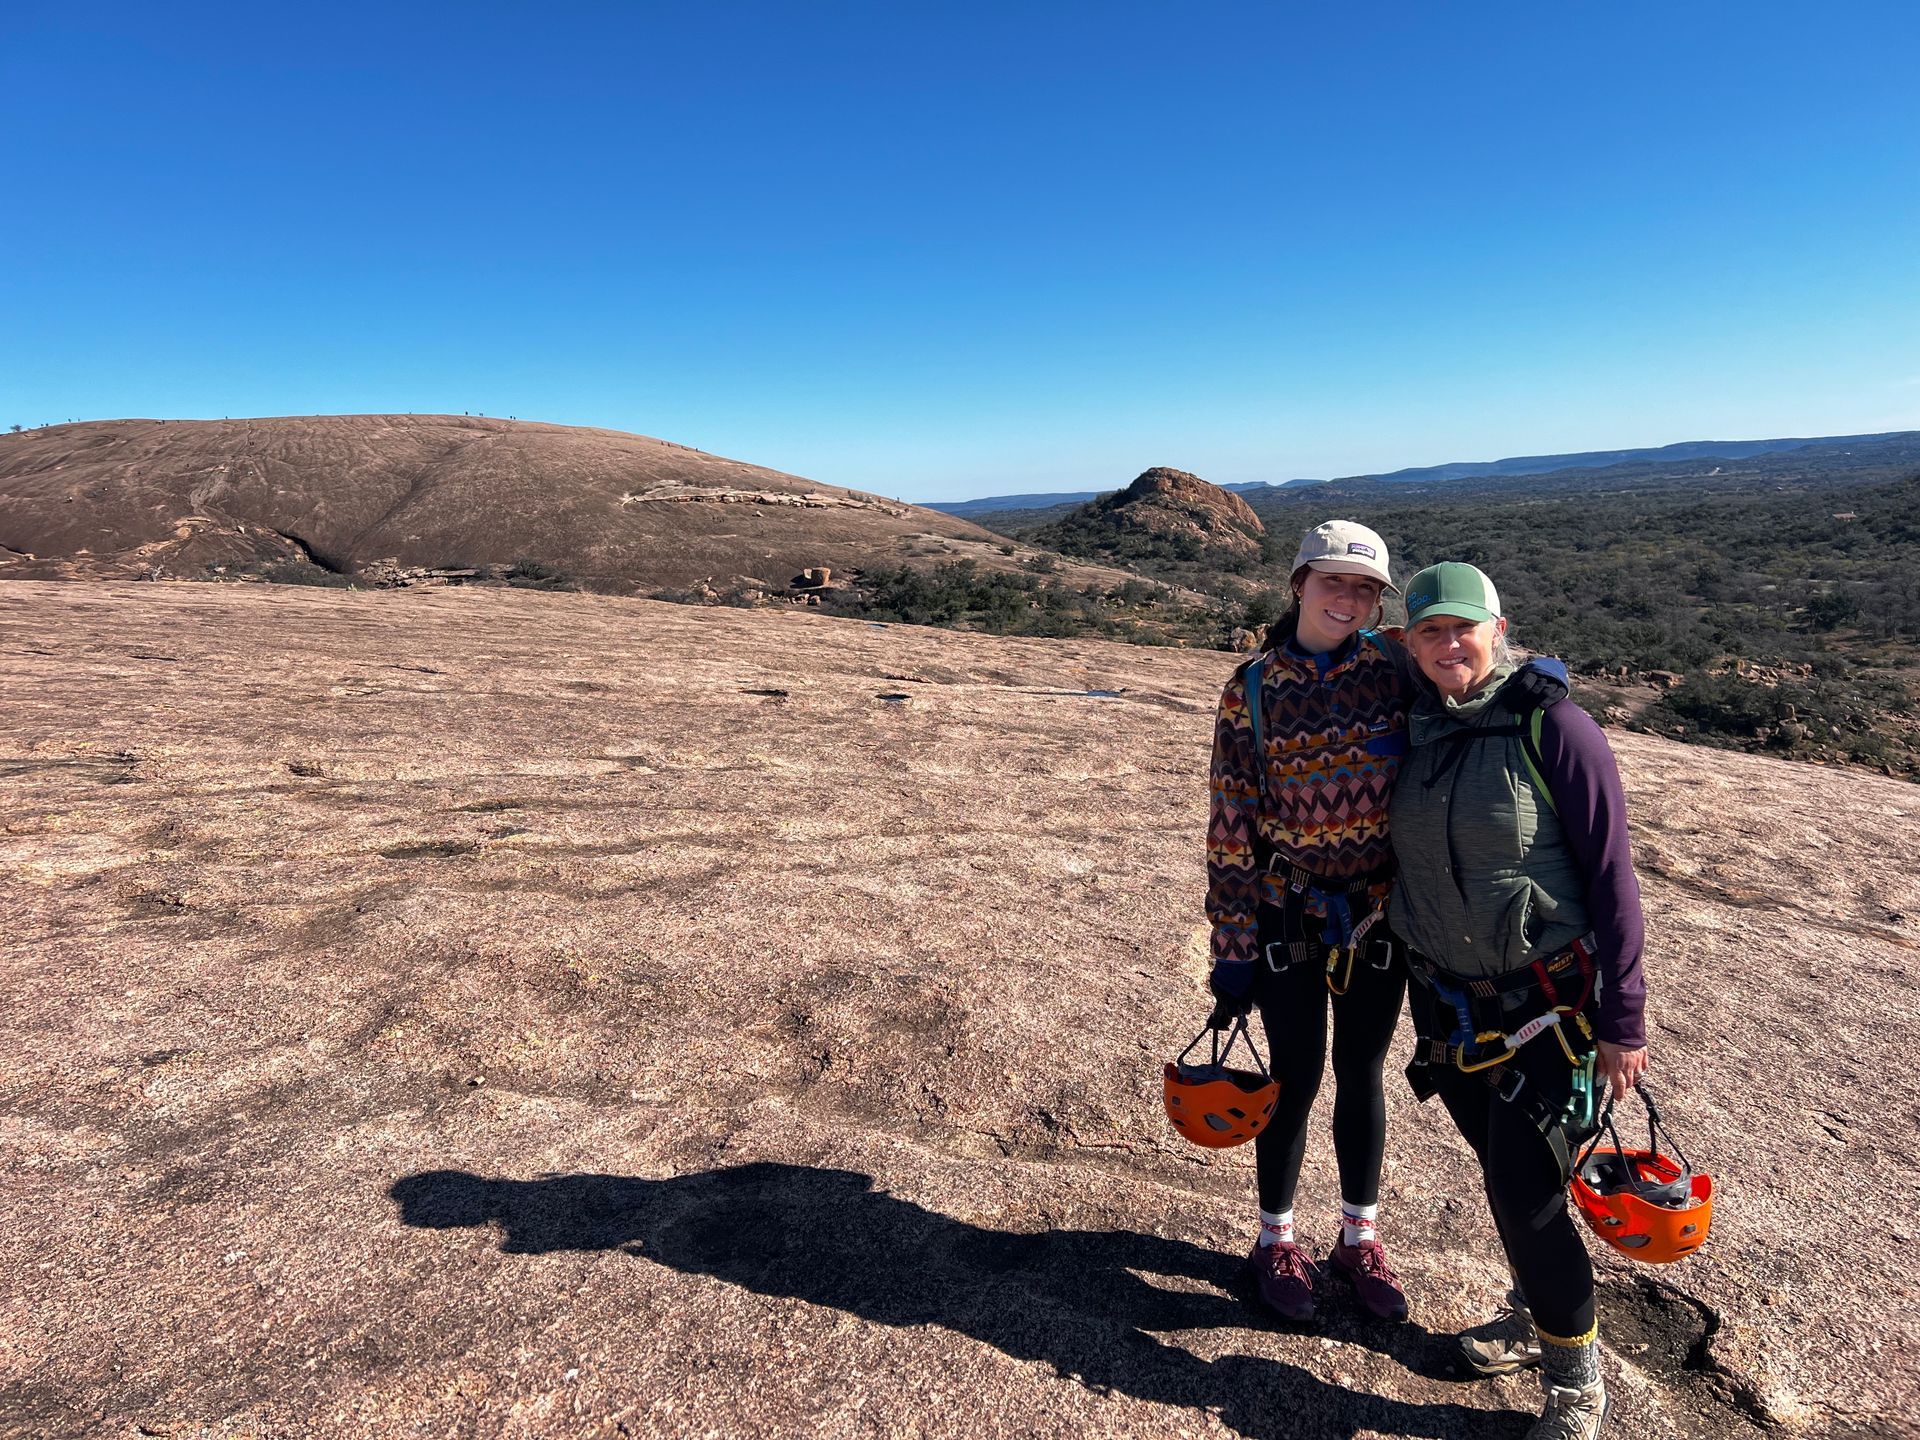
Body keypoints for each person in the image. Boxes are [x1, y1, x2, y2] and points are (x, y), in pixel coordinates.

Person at [1387, 562, 1648, 1440]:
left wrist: (1624, 1018)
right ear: (1410, 642)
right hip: (1453, 1009)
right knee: (1510, 1179)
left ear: (1499, 629)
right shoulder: (1415, 725)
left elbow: (1613, 878)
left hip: (1553, 1006)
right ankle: (1539, 1316)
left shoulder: (1554, 725)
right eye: (1430, 631)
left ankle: (1576, 1383)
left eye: (1464, 627)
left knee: (1523, 1192)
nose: (1448, 643)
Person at [1204, 520, 1423, 1325]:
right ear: (1298, 583)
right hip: (1287, 915)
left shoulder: (1394, 671)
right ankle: (1274, 1240)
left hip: (1375, 918)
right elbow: (1232, 825)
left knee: (1362, 1074)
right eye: (1335, 581)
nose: (1349, 598)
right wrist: (1230, 948)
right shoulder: (1253, 688)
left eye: (1366, 588)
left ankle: (1358, 1237)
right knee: (1294, 1080)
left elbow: (1464, 690)